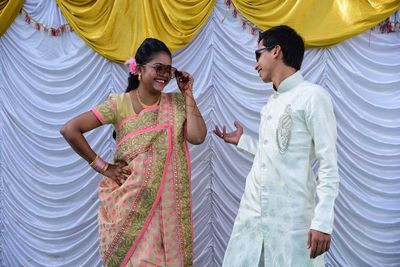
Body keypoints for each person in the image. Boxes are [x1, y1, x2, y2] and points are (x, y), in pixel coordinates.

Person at [60, 38, 206, 267]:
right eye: (158, 68)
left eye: (169, 70)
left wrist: (187, 93)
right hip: (131, 210)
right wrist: (104, 167)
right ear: (138, 69)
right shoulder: (118, 104)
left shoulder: (177, 103)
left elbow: (197, 137)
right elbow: (70, 130)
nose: (165, 75)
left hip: (168, 213)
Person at [214, 25, 339, 266]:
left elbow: (329, 166)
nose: (255, 64)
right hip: (253, 217)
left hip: (291, 220)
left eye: (257, 54)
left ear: (276, 51)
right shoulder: (271, 104)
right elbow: (275, 153)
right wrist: (242, 141)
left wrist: (322, 223)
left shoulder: (313, 97)